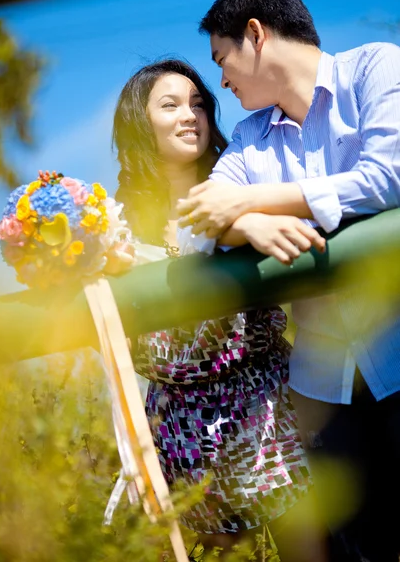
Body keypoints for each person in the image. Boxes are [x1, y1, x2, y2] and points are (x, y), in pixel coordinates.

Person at [176, 0, 400, 562]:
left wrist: (250, 201)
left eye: (222, 58)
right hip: (324, 390)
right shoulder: (249, 140)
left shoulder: (377, 67)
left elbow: (388, 178)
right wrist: (245, 225)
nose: (219, 80)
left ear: (256, 34)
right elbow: (191, 224)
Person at [111, 59, 327, 561]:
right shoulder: (113, 219)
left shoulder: (246, 183)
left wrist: (245, 220)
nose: (191, 115)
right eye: (171, 105)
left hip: (263, 397)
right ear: (138, 123)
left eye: (199, 104)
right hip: (175, 420)